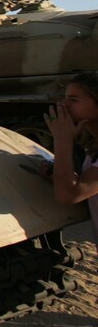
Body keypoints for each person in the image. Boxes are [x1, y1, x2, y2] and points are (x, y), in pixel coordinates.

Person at [45, 72, 98, 243]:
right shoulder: (92, 147)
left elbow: (68, 195)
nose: (63, 105)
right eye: (65, 98)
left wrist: (62, 140)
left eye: (74, 100)